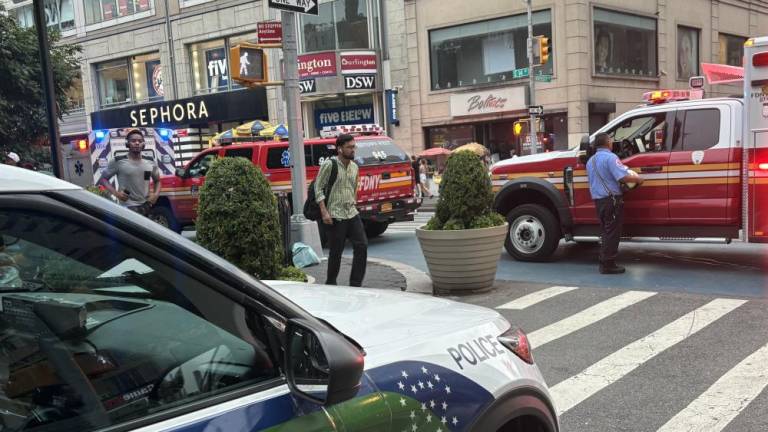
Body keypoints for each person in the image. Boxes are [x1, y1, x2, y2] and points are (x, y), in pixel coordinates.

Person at [586, 133, 644, 274]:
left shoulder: (590, 161)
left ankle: (604, 259)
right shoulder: (611, 158)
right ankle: (608, 264)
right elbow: (623, 176)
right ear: (607, 143)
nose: (612, 143)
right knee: (612, 232)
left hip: (599, 201)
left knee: (606, 231)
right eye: (611, 141)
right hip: (611, 200)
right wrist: (639, 179)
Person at [316, 134, 367, 287]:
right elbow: (318, 188)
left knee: (362, 245)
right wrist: (324, 211)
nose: (353, 150)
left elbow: (354, 188)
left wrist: (354, 203)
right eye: (349, 147)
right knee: (336, 252)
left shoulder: (355, 167)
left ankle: (355, 284)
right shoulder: (329, 165)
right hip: (335, 215)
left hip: (351, 212)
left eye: (354, 147)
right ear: (339, 149)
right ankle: (331, 282)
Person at [99, 129, 161, 216]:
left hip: (146, 206)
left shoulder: (150, 161)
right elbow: (103, 179)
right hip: (127, 208)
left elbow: (157, 181)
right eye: (133, 141)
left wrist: (155, 195)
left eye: (140, 141)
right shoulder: (118, 161)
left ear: (143, 144)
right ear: (127, 144)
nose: (137, 143)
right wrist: (117, 194)